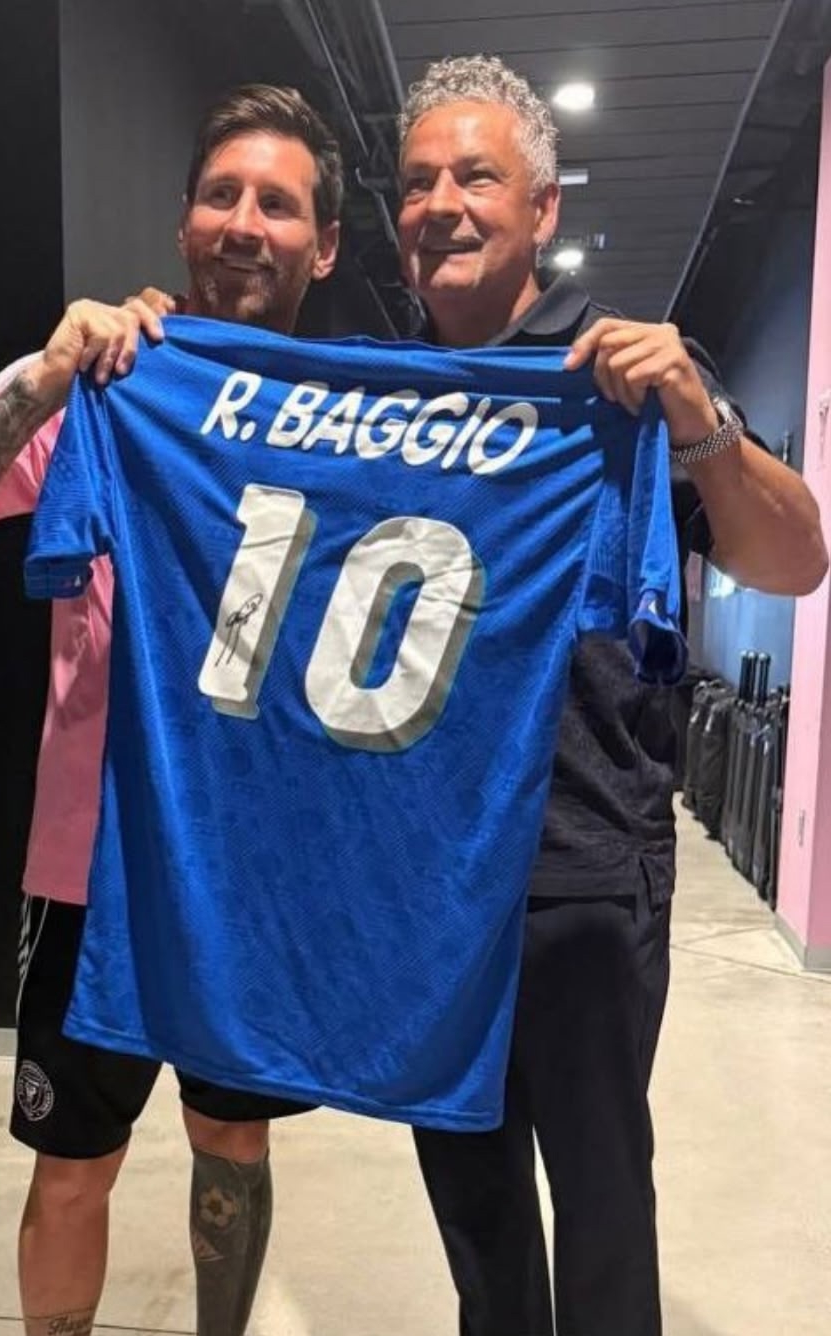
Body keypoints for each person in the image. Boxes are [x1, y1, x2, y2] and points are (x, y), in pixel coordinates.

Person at [0, 83, 342, 1336]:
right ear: (184, 221)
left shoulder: (356, 422)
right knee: (73, 1161)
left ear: (324, 244)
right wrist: (43, 378)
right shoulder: (101, 381)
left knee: (234, 1140)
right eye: (222, 195)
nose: (245, 222)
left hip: (250, 868)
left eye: (278, 202)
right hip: (90, 870)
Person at [396, 54, 827, 1336]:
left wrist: (696, 415)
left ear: (542, 209)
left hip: (582, 869)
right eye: (418, 180)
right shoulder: (382, 394)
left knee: (599, 1210)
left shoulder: (626, 379)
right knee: (473, 1217)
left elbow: (797, 558)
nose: (442, 203)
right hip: (428, 879)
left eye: (477, 176)